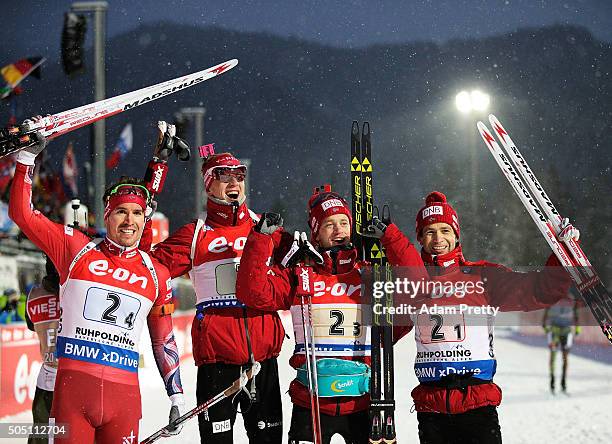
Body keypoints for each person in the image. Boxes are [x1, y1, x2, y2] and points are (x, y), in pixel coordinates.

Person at [9, 132, 184, 444]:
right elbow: (21, 214)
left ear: (145, 220)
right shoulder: (76, 250)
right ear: (106, 213)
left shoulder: (155, 274)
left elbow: (164, 341)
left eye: (137, 213)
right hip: (72, 396)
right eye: (121, 211)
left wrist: (176, 397)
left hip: (125, 401)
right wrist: (26, 159)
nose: (130, 220)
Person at [377, 191, 576, 444]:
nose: (438, 238)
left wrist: (563, 256)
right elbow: (382, 335)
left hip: (478, 406)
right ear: (420, 238)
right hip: (431, 411)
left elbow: (539, 290)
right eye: (429, 232)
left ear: (456, 234)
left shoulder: (481, 277)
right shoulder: (412, 286)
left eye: (445, 230)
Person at [235, 187, 428, 444]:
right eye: (329, 225)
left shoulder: (370, 276)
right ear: (315, 232)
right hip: (310, 402)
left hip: (362, 404)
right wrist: (260, 239)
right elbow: (252, 293)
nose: (338, 230)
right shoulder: (300, 275)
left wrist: (390, 238)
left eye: (344, 222)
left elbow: (419, 288)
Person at [147, 151, 284, 444]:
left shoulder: (267, 229)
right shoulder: (195, 234)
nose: (234, 182)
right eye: (223, 176)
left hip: (264, 363)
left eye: (239, 176)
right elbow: (146, 268)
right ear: (208, 184)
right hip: (217, 363)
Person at [24, 256, 60, 444]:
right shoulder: (76, 291)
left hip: (47, 378)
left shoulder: (34, 294)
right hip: (76, 378)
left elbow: (31, 325)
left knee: (41, 436)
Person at [542, 291, 581, 394]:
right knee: (554, 356)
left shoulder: (571, 297)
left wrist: (577, 327)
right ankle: (552, 381)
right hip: (555, 330)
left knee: (565, 357)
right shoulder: (553, 296)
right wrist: (544, 324)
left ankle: (563, 383)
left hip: (566, 331)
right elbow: (547, 310)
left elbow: (576, 313)